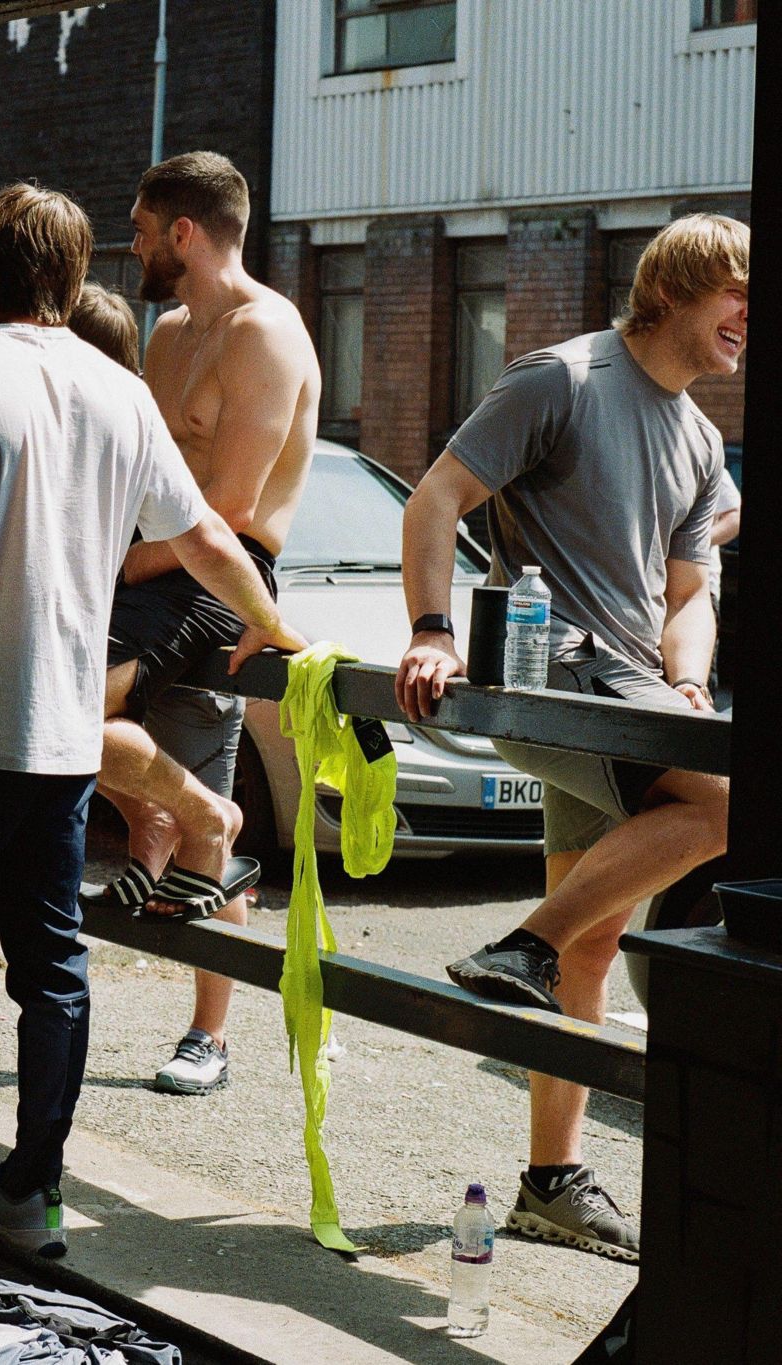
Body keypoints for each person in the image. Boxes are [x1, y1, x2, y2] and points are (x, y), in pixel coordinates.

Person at [0, 183, 304, 1255]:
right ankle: (28, 1191)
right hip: (63, 740)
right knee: (52, 971)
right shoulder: (120, 395)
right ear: (74, 282)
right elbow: (212, 536)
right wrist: (274, 628)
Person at [394, 213, 747, 1262]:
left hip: (633, 689)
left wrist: (685, 683)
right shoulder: (561, 379)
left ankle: (549, 1181)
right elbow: (434, 498)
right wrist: (428, 629)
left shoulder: (690, 432)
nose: (748, 322)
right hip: (559, 679)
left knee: (594, 941)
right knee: (729, 808)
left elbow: (689, 589)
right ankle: (519, 947)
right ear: (677, 286)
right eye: (738, 295)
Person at [87, 153, 322, 1096]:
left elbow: (222, 508)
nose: (134, 243)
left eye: (142, 228)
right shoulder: (173, 331)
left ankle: (209, 1037)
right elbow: (146, 477)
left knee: (192, 795)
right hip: (154, 568)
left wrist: (114, 564)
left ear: (184, 231)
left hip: (220, 571)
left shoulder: (267, 335)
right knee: (57, 719)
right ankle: (159, 818)